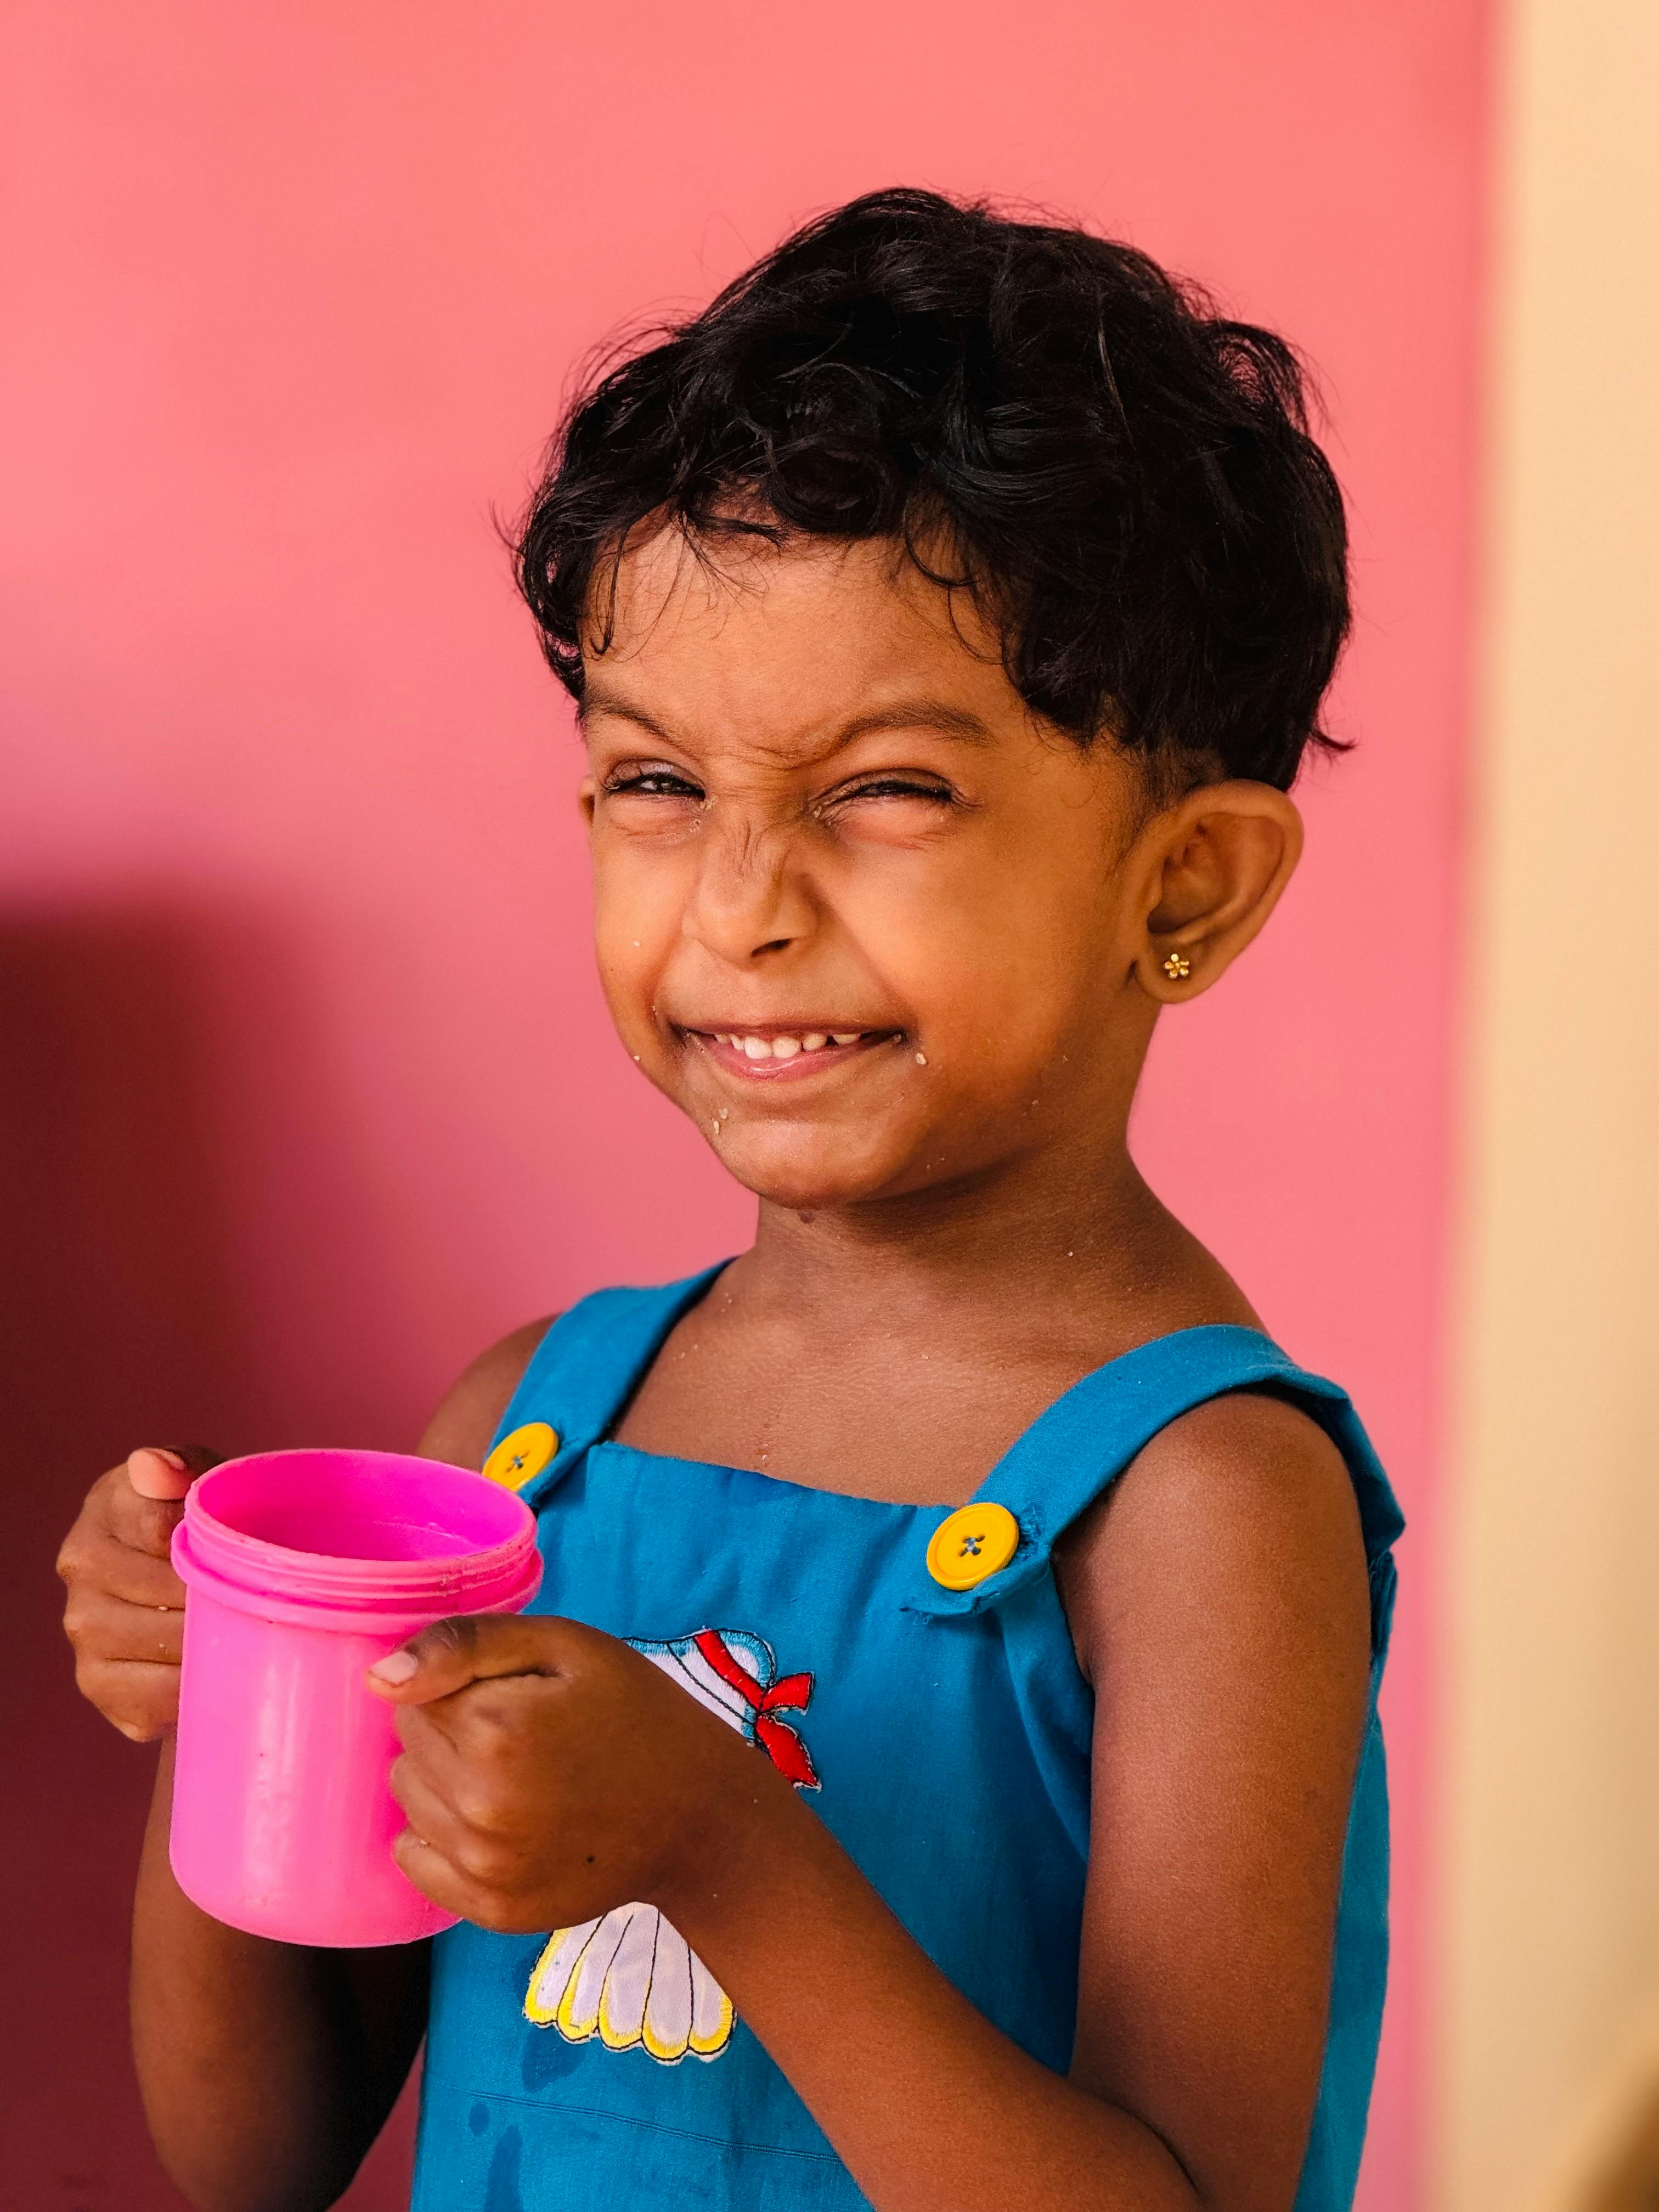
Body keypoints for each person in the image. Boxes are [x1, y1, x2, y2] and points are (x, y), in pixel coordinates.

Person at [56, 188, 1402, 2212]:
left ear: (1183, 886)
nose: (741, 911)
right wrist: (232, 1693)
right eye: (658, 785)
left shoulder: (1203, 1502)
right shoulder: (531, 1438)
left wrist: (720, 1850)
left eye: (886, 791)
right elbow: (259, 2152)